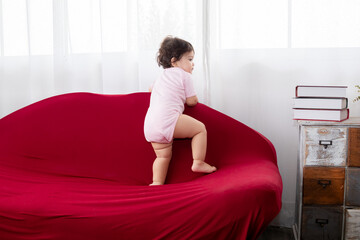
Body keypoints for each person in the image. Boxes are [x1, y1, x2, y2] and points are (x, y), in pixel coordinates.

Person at [144, 36, 217, 186]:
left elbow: (150, 90)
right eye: (190, 59)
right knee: (200, 130)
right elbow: (192, 101)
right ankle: (198, 162)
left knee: (162, 157)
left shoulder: (160, 76)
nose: (193, 64)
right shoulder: (184, 75)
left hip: (150, 126)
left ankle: (156, 182)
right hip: (168, 121)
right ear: (174, 61)